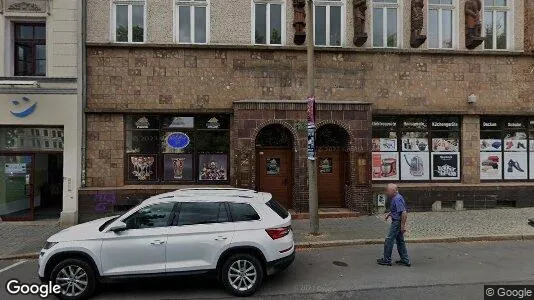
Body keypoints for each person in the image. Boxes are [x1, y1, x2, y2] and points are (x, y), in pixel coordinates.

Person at [377, 184, 411, 267]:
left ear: (394, 191)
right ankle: (405, 260)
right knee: (400, 241)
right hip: (397, 221)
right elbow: (397, 210)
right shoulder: (397, 197)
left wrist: (402, 226)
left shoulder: (397, 199)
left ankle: (387, 260)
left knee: (389, 240)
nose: (387, 192)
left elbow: (403, 213)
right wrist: (390, 213)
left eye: (388, 190)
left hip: (397, 223)